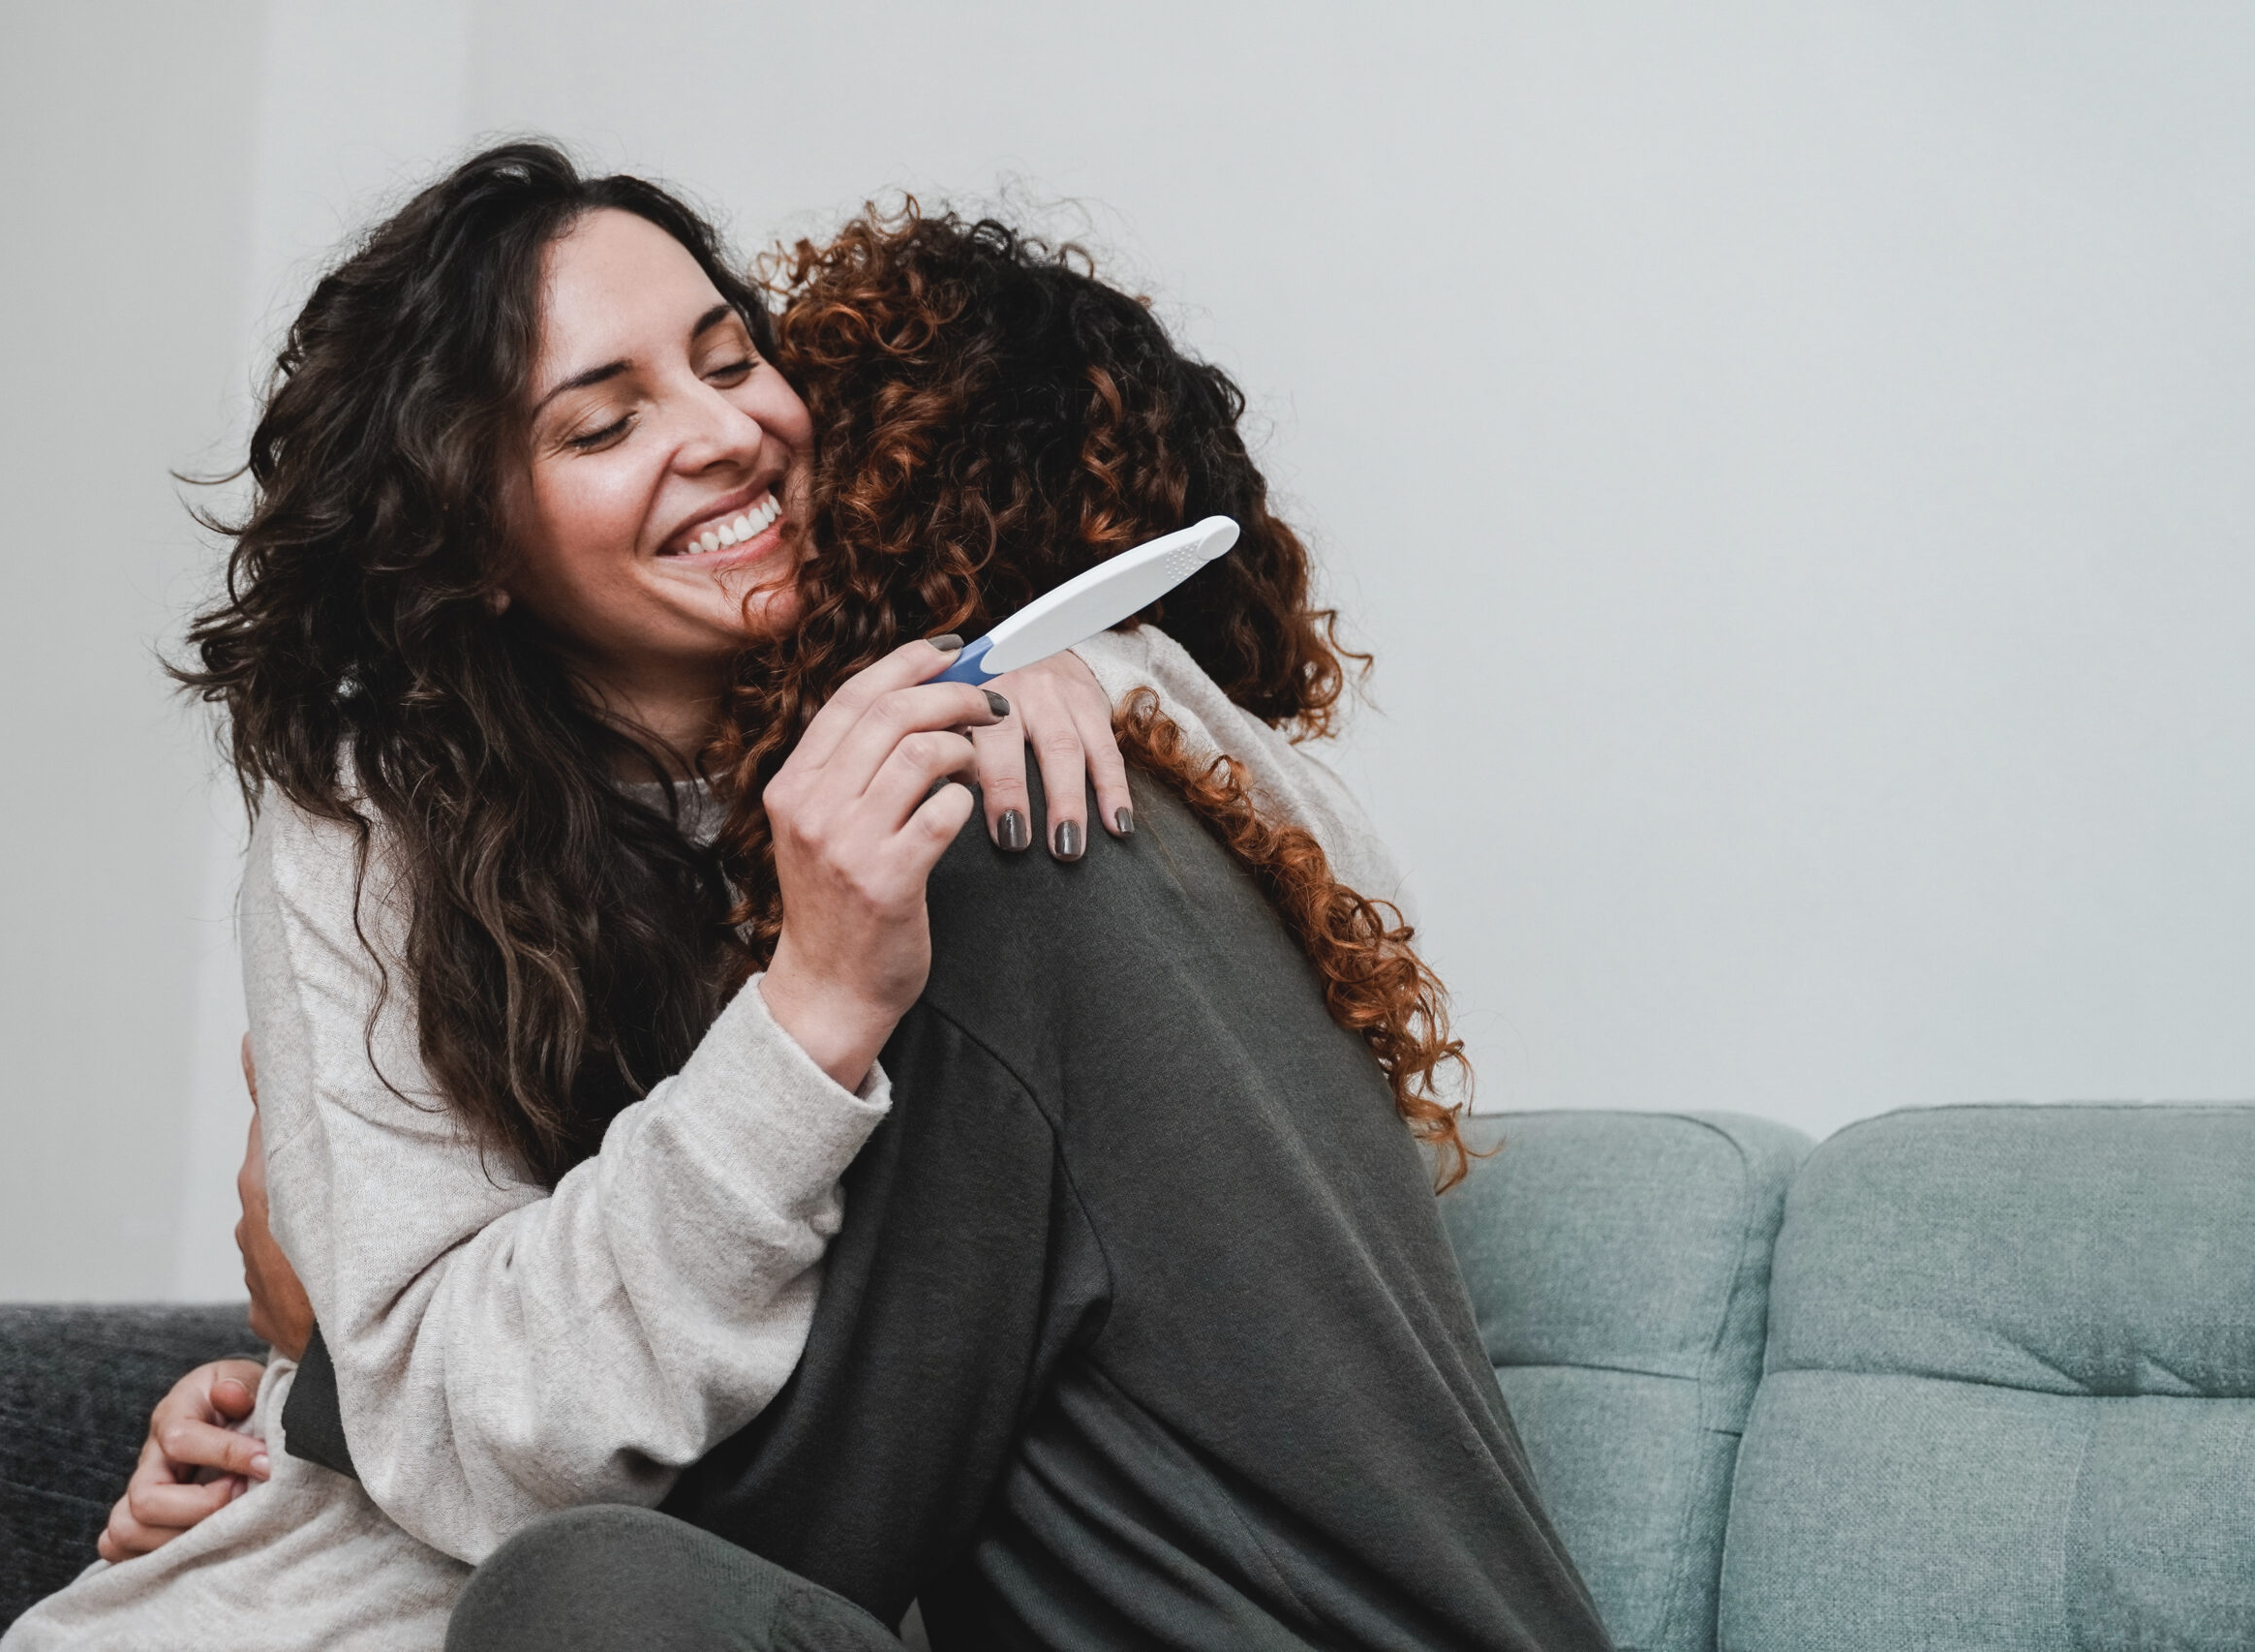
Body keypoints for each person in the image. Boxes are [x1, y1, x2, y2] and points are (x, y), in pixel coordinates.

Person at [1, 149, 1418, 1649]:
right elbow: (459, 1420)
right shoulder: (366, 825)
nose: (725, 433)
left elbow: (1335, 998)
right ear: (476, 541)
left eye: (734, 360)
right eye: (605, 423)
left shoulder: (916, 726)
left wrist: (1088, 671)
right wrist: (806, 1018)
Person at [435, 208, 1611, 1650]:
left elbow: (797, 1511)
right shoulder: (1156, 848)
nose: (745, 457)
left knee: (582, 1595)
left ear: (877, 556)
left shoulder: (1013, 845)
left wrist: (353, 1406)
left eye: (796, 440)